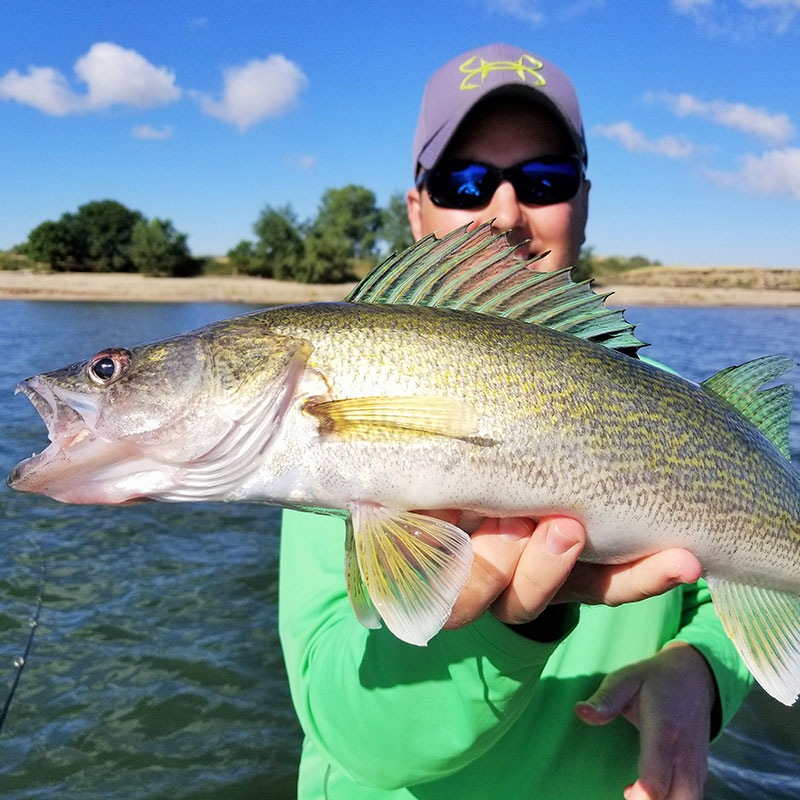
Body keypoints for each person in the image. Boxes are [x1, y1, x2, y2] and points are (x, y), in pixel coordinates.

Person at [279, 43, 752, 800]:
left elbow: (737, 585)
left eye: (543, 180)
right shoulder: (328, 434)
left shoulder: (684, 409)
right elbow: (354, 733)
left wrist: (700, 670)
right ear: (416, 206)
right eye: (465, 182)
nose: (504, 213)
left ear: (584, 200)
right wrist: (508, 630)